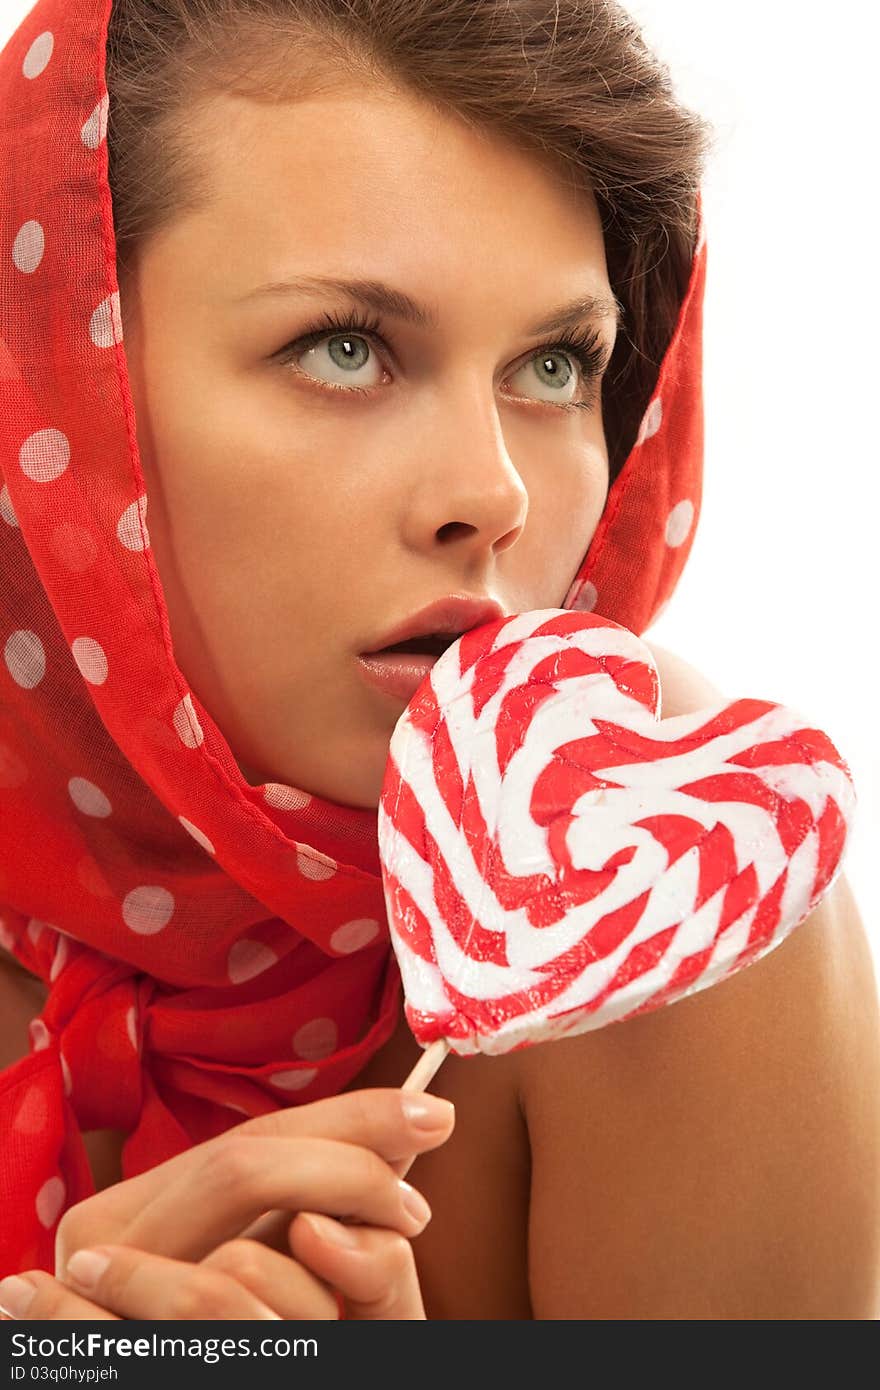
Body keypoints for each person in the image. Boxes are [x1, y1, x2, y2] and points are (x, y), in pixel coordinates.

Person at [0, 0, 878, 1321]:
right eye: (343, 347)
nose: (496, 493)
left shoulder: (661, 896)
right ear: (55, 380)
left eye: (555, 363)